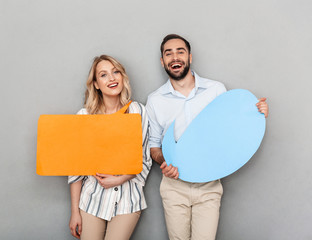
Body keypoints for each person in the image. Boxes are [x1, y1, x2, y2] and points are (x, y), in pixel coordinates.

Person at [146, 34, 269, 240]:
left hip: (209, 185)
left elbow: (231, 127)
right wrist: (164, 161)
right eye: (169, 53)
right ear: (163, 61)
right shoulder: (155, 100)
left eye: (180, 52)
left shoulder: (215, 90)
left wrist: (256, 113)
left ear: (190, 57)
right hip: (174, 187)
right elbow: (154, 145)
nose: (175, 57)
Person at [68, 55, 152, 240]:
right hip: (91, 199)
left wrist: (120, 179)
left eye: (116, 72)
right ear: (96, 84)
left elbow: (144, 158)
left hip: (128, 200)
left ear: (123, 77)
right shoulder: (84, 116)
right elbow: (76, 169)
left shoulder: (139, 111)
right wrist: (75, 212)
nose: (112, 78)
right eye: (103, 75)